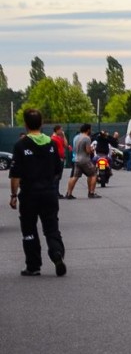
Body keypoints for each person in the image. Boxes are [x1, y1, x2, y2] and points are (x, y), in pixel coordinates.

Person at [9, 108, 67, 277]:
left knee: (29, 229)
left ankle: (33, 266)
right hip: (49, 193)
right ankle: (56, 252)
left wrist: (13, 196)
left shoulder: (20, 145)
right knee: (51, 227)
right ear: (42, 123)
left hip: (29, 194)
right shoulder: (51, 143)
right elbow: (58, 169)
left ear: (25, 124)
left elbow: (15, 175)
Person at [65, 124, 101, 199]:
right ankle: (91, 192)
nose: (91, 131)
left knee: (74, 177)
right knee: (93, 174)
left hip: (76, 159)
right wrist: (92, 149)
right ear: (88, 130)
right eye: (90, 129)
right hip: (84, 160)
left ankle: (69, 193)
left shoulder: (77, 137)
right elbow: (87, 151)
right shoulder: (87, 138)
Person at [50, 124, 67, 197]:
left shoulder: (59, 138)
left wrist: (63, 136)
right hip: (57, 159)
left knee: (58, 176)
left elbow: (65, 145)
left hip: (61, 158)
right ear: (57, 130)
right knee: (56, 176)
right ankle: (54, 192)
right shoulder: (53, 138)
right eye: (61, 130)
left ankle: (57, 192)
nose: (62, 131)